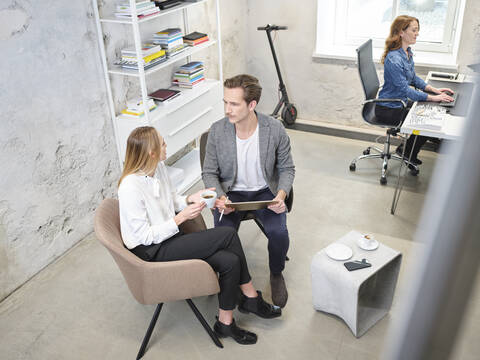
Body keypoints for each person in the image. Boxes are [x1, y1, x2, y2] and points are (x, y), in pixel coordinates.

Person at [118, 126, 281, 345]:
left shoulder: (159, 167)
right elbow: (145, 236)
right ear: (151, 152)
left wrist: (189, 199)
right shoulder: (130, 187)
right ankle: (251, 297)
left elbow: (172, 198)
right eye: (163, 143)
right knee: (227, 235)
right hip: (151, 251)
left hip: (169, 238)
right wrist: (180, 218)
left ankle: (225, 323)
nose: (166, 146)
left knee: (230, 261)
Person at [202, 74, 295, 308]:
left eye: (234, 104)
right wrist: (220, 197)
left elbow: (287, 169)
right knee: (222, 237)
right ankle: (232, 279)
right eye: (225, 102)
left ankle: (276, 273)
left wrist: (280, 195)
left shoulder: (274, 130)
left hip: (265, 194)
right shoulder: (217, 131)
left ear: (251, 105)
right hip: (230, 194)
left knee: (279, 233)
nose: (227, 109)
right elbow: (209, 173)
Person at [376, 15, 454, 165]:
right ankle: (407, 152)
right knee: (426, 120)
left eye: (417, 30)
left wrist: (434, 90)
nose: (417, 33)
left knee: (431, 112)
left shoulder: (407, 53)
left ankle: (406, 150)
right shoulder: (394, 59)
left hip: (400, 102)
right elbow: (406, 90)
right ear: (401, 32)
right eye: (414, 30)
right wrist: (432, 98)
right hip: (389, 108)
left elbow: (413, 78)